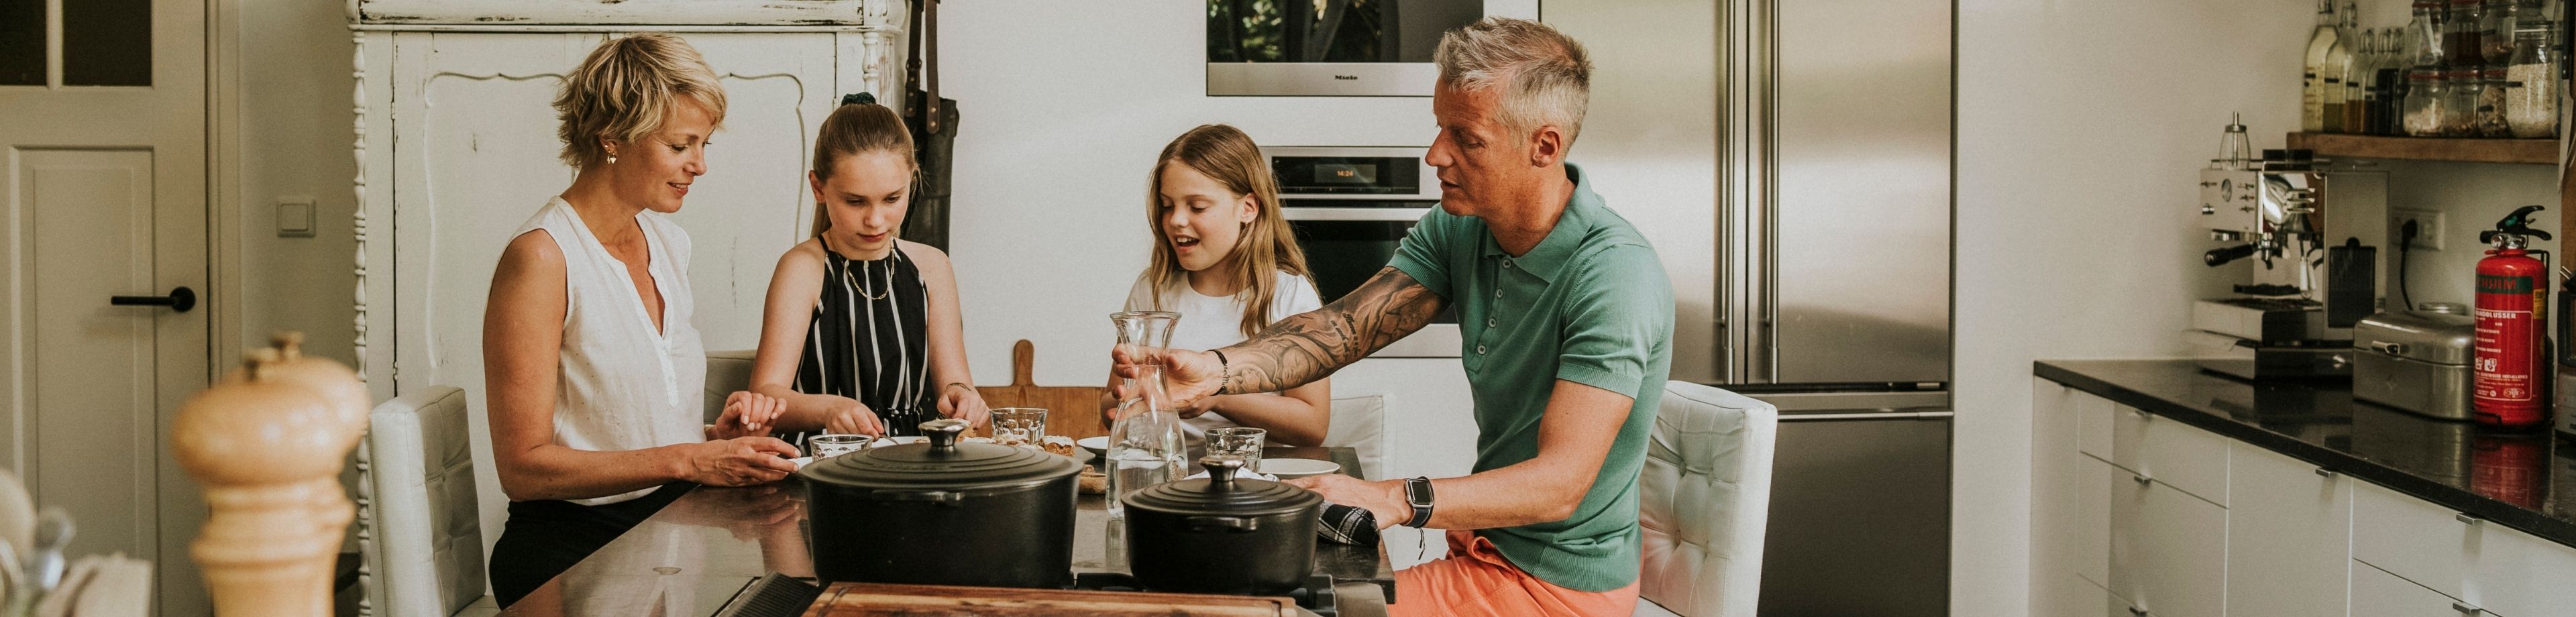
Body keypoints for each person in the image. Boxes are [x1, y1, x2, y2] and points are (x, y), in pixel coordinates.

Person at [1112, 17, 1671, 616]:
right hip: (1484, 553)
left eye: (1466, 138)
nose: (1436, 155)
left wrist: (1393, 498)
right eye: (1439, 127)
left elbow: (1558, 485)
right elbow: (1344, 329)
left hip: (1556, 586)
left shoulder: (1614, 275)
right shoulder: (1461, 228)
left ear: (1545, 147)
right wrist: (1216, 370)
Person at [482, 32, 798, 608]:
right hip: (569, 552)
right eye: (681, 145)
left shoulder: (668, 243)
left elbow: (623, 426)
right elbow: (522, 469)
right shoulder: (543, 257)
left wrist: (712, 442)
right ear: (612, 137)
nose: (700, 165)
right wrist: (689, 459)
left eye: (703, 144)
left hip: (666, 532)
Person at [747, 93, 989, 444]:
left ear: (912, 181)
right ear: (819, 188)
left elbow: (955, 379)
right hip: (823, 457)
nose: (875, 220)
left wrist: (963, 395)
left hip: (913, 455)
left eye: (892, 199)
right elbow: (766, 394)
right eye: (855, 201)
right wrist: (829, 409)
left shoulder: (932, 266)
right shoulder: (803, 269)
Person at [1118, 124, 1332, 446]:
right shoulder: (1152, 289)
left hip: (1259, 472)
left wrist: (1215, 395)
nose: (1176, 220)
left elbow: (1313, 425)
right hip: (1168, 466)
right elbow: (1113, 405)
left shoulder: (1289, 296)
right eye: (1167, 205)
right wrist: (1135, 396)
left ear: (1248, 208)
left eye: (1197, 207)